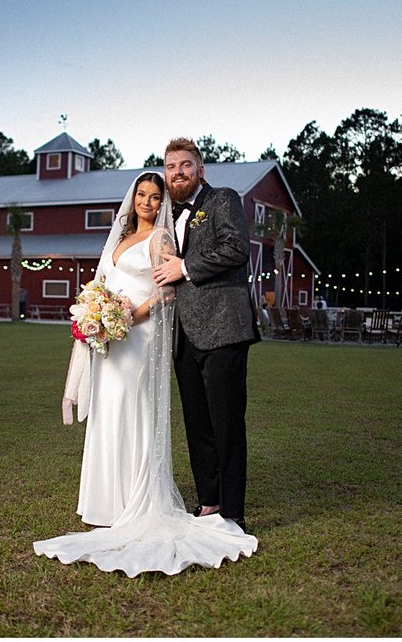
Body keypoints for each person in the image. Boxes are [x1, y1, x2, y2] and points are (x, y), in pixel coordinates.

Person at [34, 171, 257, 577]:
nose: (148, 202)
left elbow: (166, 292)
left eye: (156, 197)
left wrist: (123, 318)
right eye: (142, 194)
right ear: (132, 197)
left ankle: (137, 498)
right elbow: (104, 283)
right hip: (112, 338)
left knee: (132, 408)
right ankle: (107, 502)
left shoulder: (162, 239)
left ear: (162, 203)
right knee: (108, 410)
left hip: (139, 334)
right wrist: (96, 314)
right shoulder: (118, 240)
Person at [152, 137, 260, 532]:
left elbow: (236, 249)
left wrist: (185, 268)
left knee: (226, 422)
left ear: (201, 170)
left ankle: (232, 513)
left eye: (185, 165)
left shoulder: (223, 200)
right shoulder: (165, 216)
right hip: (182, 335)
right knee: (196, 423)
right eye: (170, 166)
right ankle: (209, 504)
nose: (177, 172)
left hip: (223, 327)